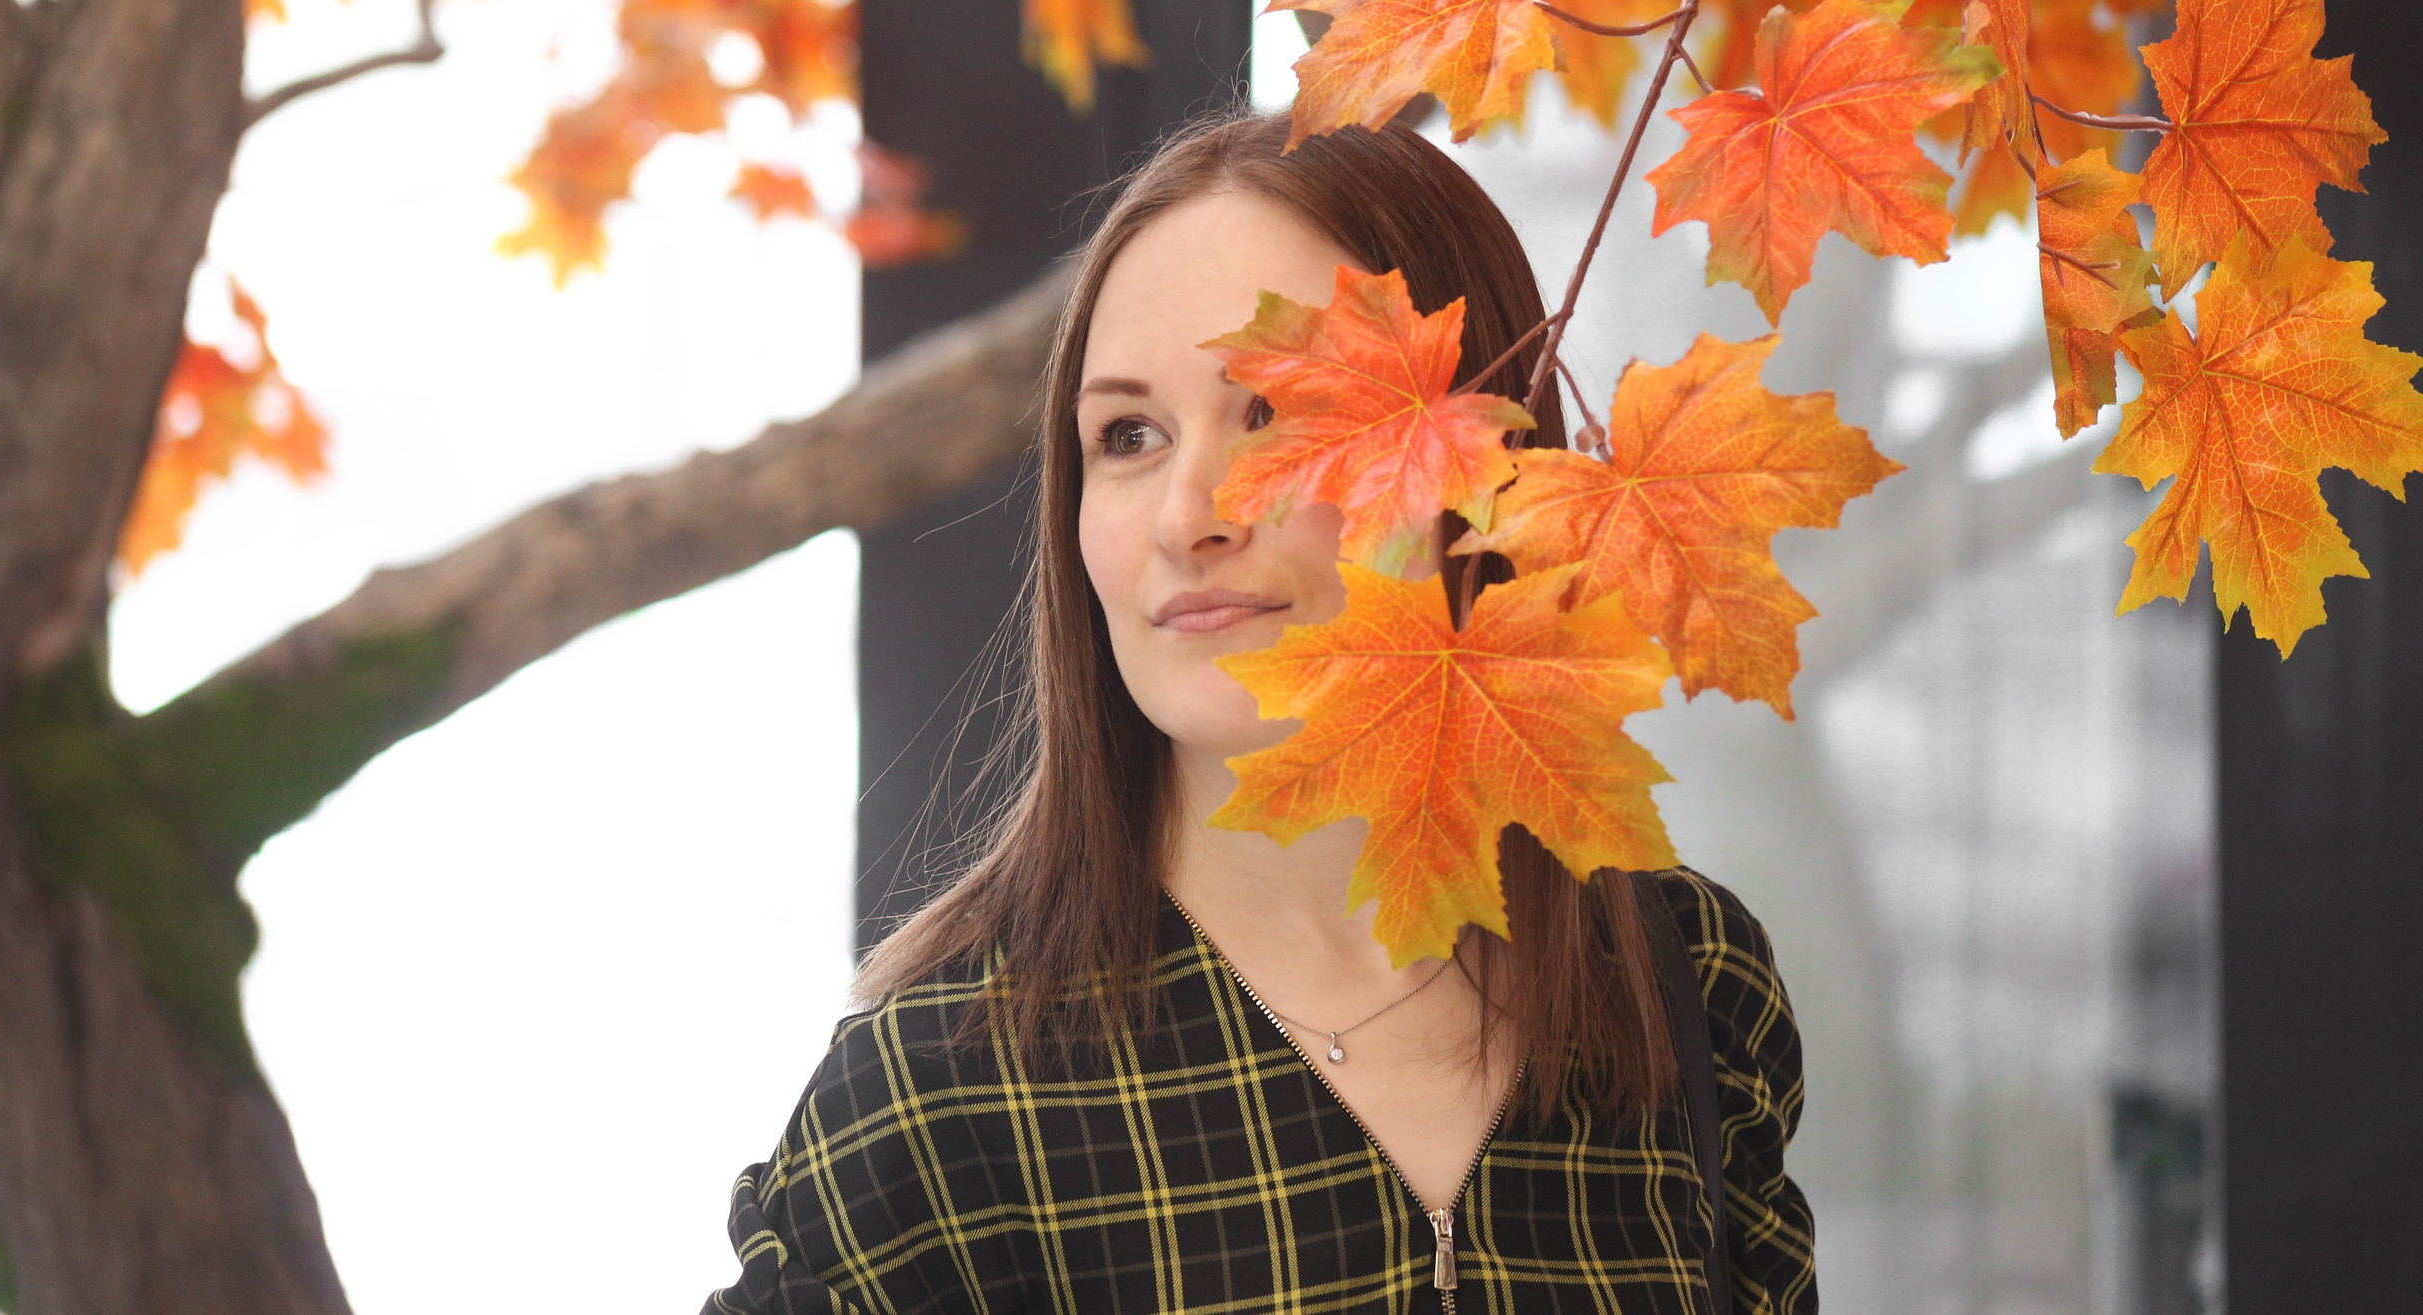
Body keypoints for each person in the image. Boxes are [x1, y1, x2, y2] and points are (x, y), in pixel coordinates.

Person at [706, 111, 1816, 1314]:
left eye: (1275, 415)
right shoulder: (932, 1107)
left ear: (1480, 453)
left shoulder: (1683, 987)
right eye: (1126, 436)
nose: (1190, 513)